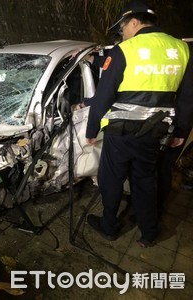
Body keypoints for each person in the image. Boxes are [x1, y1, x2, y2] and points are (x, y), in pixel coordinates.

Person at [84, 0, 193, 248]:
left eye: (122, 29)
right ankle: (148, 233)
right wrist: (181, 132)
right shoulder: (182, 49)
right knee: (145, 180)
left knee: (110, 179)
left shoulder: (125, 49)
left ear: (133, 22)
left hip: (121, 132)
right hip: (155, 132)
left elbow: (103, 96)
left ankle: (109, 227)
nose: (121, 34)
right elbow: (188, 98)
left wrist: (92, 131)